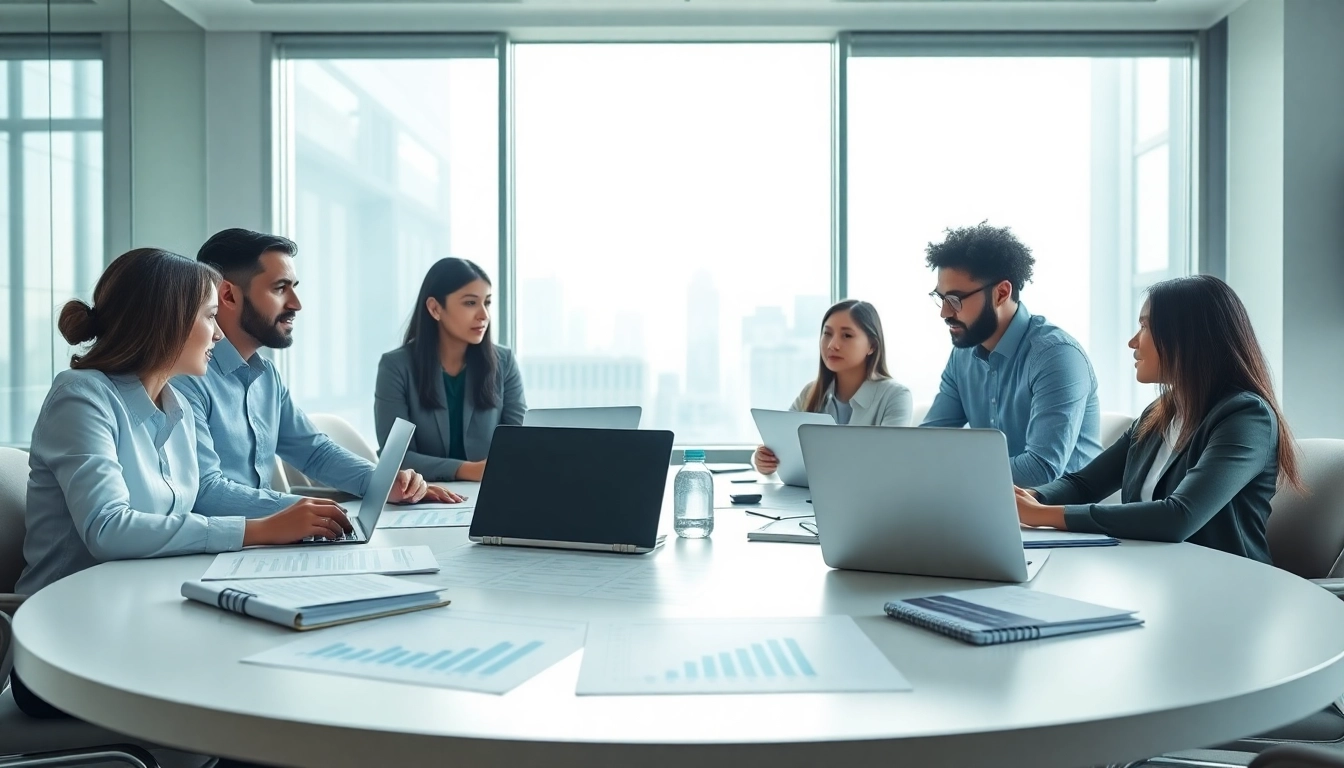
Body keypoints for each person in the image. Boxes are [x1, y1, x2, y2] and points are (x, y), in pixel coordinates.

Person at [15, 248, 353, 720]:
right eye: (211, 317)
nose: (218, 333)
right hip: (66, 647)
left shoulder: (176, 404)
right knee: (257, 687)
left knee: (280, 662)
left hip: (141, 616)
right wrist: (258, 530)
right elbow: (109, 528)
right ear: (167, 321)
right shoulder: (81, 397)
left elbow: (194, 503)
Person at [175, 228, 458, 517]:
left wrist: (384, 483)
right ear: (228, 295)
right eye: (280, 288)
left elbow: (313, 452)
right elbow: (206, 493)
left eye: (294, 287)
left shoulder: (266, 376)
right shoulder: (185, 379)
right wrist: (304, 510)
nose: (296, 303)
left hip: (262, 541)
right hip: (220, 548)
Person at [1017, 275, 1298, 563]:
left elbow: (1179, 516)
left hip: (1225, 584)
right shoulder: (1159, 414)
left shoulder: (1246, 417)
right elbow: (1084, 485)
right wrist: (1029, 497)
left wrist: (1042, 515)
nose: (1132, 342)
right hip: (1154, 574)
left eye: (1144, 326)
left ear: (1187, 337)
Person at [921, 222, 1102, 487]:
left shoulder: (1056, 356)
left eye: (955, 300)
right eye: (941, 298)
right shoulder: (962, 356)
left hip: (1059, 518)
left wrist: (950, 471)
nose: (945, 313)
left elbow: (1040, 469)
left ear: (1001, 293)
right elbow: (925, 445)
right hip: (989, 507)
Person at [375, 257, 526, 482]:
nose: (484, 315)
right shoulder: (396, 367)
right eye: (470, 303)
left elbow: (517, 445)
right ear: (435, 308)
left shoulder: (503, 362)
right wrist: (467, 470)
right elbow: (395, 458)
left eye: (487, 302)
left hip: (492, 491)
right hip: (423, 498)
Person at [753, 299, 912, 475]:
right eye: (827, 334)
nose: (832, 345)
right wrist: (763, 460)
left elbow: (890, 463)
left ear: (872, 346)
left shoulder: (896, 396)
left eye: (847, 336)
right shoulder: (810, 392)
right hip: (803, 498)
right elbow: (781, 447)